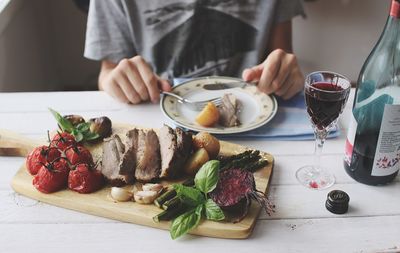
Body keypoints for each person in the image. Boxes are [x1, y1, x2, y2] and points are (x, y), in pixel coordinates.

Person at [84, 0, 305, 104]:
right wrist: (115, 80)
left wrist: (284, 73)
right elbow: (109, 72)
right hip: (155, 111)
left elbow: (280, 53)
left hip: (253, 111)